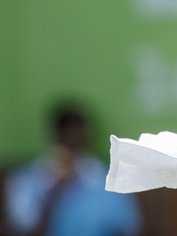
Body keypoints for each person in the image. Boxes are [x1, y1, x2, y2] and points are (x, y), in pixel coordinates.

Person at [5, 100, 142, 236]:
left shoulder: (108, 178)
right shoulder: (29, 179)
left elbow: (129, 226)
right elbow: (22, 228)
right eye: (67, 140)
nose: (72, 151)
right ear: (55, 137)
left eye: (78, 142)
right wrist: (52, 192)